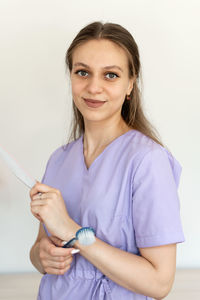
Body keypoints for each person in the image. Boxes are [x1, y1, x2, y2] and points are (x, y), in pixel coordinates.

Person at [29, 21, 185, 300]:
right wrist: (43, 257)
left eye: (110, 75)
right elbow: (40, 250)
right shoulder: (58, 160)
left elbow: (160, 283)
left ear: (130, 84)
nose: (93, 87)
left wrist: (73, 231)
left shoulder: (148, 161)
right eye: (82, 72)